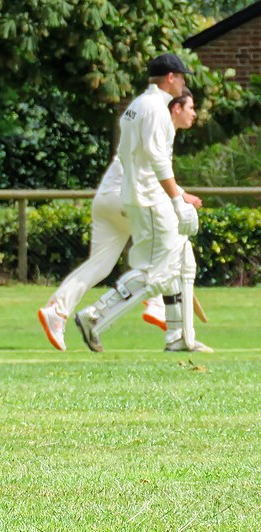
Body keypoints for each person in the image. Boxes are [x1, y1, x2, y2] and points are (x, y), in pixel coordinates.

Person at [38, 87, 200, 351]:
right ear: (176, 108)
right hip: (127, 200)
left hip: (106, 200)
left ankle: (57, 310)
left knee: (100, 265)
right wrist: (180, 198)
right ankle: (158, 308)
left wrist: (181, 194)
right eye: (191, 107)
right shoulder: (160, 126)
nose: (194, 113)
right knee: (168, 247)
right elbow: (153, 175)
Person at [74, 53, 212, 353]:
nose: (184, 83)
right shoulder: (156, 109)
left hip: (142, 195)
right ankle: (93, 316)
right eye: (182, 77)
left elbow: (125, 154)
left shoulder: (136, 107)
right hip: (150, 199)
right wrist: (176, 199)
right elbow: (157, 159)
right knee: (156, 270)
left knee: (182, 262)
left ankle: (178, 337)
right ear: (170, 78)